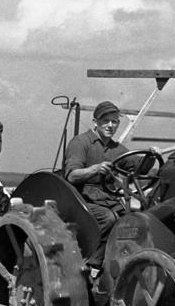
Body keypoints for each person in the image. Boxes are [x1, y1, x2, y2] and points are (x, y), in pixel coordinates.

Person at [64, 100, 156, 267]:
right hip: (80, 200)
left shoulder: (117, 149)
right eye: (105, 121)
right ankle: (93, 263)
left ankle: (123, 262)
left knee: (136, 219)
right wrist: (94, 169)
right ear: (95, 122)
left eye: (114, 122)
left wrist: (150, 157)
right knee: (109, 218)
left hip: (107, 199)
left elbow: (139, 169)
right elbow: (72, 176)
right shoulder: (80, 142)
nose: (110, 125)